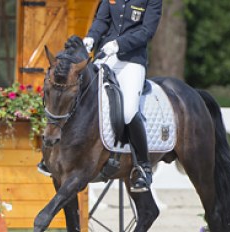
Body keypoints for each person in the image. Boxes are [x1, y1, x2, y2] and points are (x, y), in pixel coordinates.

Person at [83, 0, 162, 192]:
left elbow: (146, 32)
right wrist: (91, 37)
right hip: (106, 56)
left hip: (132, 60)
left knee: (128, 112)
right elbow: (102, 20)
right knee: (82, 93)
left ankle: (143, 167)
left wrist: (119, 44)